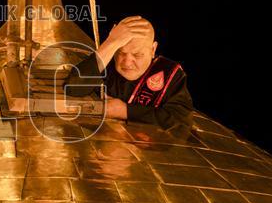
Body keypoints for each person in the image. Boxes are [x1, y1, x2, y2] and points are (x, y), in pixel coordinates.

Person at [63, 16, 194, 132]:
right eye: (121, 52)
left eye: (137, 54)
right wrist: (111, 42)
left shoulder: (169, 74)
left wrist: (124, 111)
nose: (127, 62)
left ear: (153, 49)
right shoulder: (105, 63)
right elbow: (73, 88)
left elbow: (180, 122)